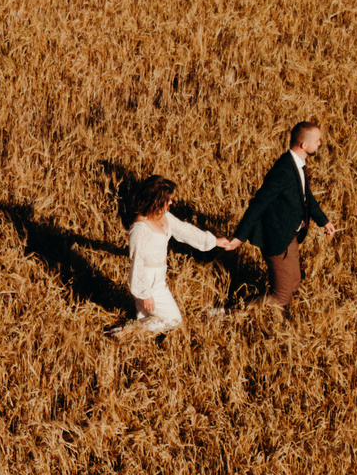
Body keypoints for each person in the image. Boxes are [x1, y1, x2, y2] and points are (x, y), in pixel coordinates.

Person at [231, 120, 336, 312]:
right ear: (304, 144)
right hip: (277, 239)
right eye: (317, 141)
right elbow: (259, 203)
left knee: (294, 283)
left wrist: (324, 221)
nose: (320, 144)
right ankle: (230, 312)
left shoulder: (297, 164)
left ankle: (272, 317)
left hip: (290, 235)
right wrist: (239, 236)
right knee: (280, 296)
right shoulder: (284, 169)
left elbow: (305, 197)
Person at [111, 175, 226, 337]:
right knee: (174, 320)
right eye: (168, 199)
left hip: (159, 278)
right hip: (147, 280)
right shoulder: (140, 228)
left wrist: (215, 241)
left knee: (152, 320)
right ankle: (124, 332)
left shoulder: (163, 216)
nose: (171, 202)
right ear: (156, 200)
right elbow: (137, 262)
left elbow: (186, 231)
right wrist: (145, 294)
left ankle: (128, 333)